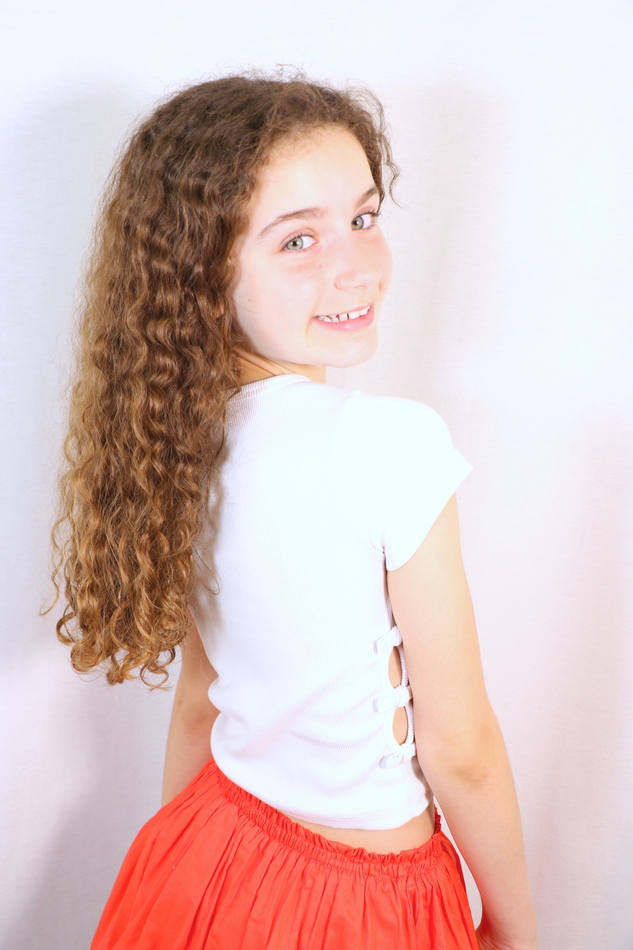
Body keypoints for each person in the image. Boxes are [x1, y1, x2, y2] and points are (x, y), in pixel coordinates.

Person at [46, 69, 538, 950]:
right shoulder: (389, 441)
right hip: (366, 906)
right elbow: (460, 747)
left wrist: (182, 872)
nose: (356, 265)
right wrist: (515, 927)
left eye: (362, 218)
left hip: (211, 849)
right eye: (297, 240)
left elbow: (200, 699)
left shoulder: (175, 442)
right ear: (203, 276)